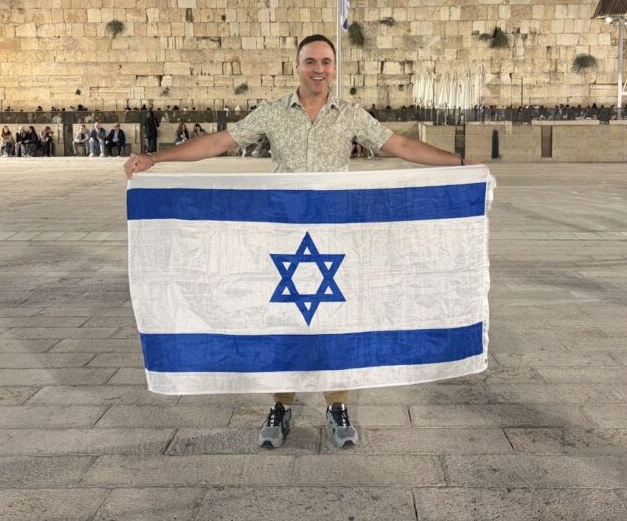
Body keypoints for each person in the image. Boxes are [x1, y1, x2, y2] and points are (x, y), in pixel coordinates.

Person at [124, 34, 476, 450]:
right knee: (285, 320)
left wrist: (460, 164)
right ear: (296, 66)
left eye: (326, 62)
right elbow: (221, 141)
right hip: (284, 234)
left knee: (335, 319)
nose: (319, 69)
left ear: (334, 68)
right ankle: (281, 404)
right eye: (311, 61)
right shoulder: (273, 113)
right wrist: (157, 158)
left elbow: (398, 145)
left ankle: (337, 404)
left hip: (335, 235)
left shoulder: (349, 115)